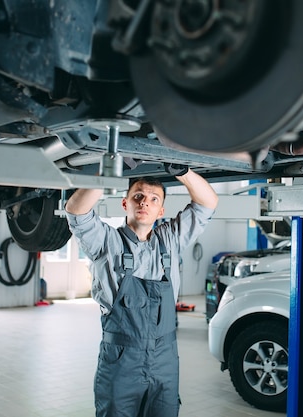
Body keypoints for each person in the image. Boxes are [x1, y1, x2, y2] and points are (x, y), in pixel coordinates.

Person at [64, 166, 218, 417]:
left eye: (153, 199)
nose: (145, 202)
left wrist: (182, 170)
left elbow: (208, 202)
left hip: (165, 361)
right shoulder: (106, 242)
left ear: (161, 211)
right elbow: (76, 212)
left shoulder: (170, 240)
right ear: (125, 203)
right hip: (122, 361)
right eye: (138, 196)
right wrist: (111, 171)